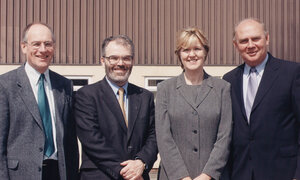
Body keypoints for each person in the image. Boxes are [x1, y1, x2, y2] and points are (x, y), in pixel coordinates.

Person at [222, 18, 300, 180]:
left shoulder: (291, 73)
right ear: (236, 45)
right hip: (240, 172)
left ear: (267, 39)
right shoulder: (229, 80)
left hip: (282, 172)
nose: (250, 45)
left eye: (255, 38)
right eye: (244, 41)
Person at [0, 23, 79, 180]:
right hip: (20, 174)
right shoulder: (5, 84)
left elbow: (70, 140)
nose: (43, 50)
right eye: (36, 44)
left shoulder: (64, 85)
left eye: (48, 44)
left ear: (54, 47)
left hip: (59, 173)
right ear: (24, 47)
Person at [74, 35, 158, 180]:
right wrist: (126, 172)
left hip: (139, 176)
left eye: (126, 58)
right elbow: (93, 141)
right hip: (100, 176)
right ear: (103, 61)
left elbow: (154, 136)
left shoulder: (145, 97)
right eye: (113, 58)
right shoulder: (86, 96)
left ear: (132, 61)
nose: (120, 63)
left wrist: (141, 162)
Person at [155, 27, 232, 180]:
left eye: (197, 49)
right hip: (172, 176)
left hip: (213, 176)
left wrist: (207, 175)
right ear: (179, 55)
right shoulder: (165, 89)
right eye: (186, 50)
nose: (192, 55)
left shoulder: (222, 88)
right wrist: (182, 177)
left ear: (205, 52)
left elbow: (225, 136)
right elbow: (164, 138)